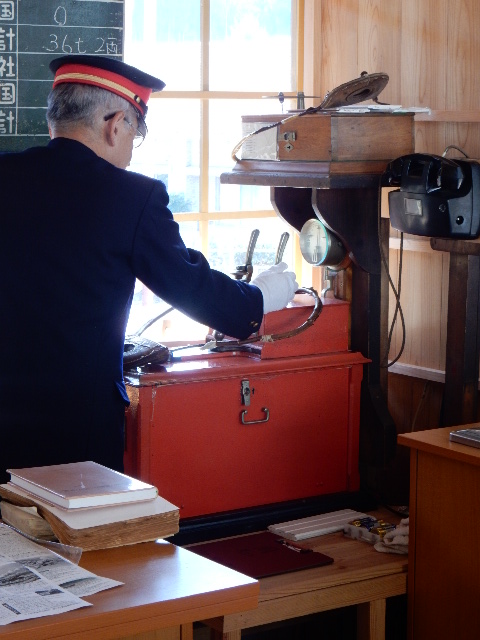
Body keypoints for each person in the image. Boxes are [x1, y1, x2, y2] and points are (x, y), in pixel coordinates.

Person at [0, 55, 298, 483]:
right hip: (76, 432)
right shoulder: (132, 197)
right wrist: (263, 295)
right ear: (115, 123)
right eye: (134, 134)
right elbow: (191, 288)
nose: (128, 150)